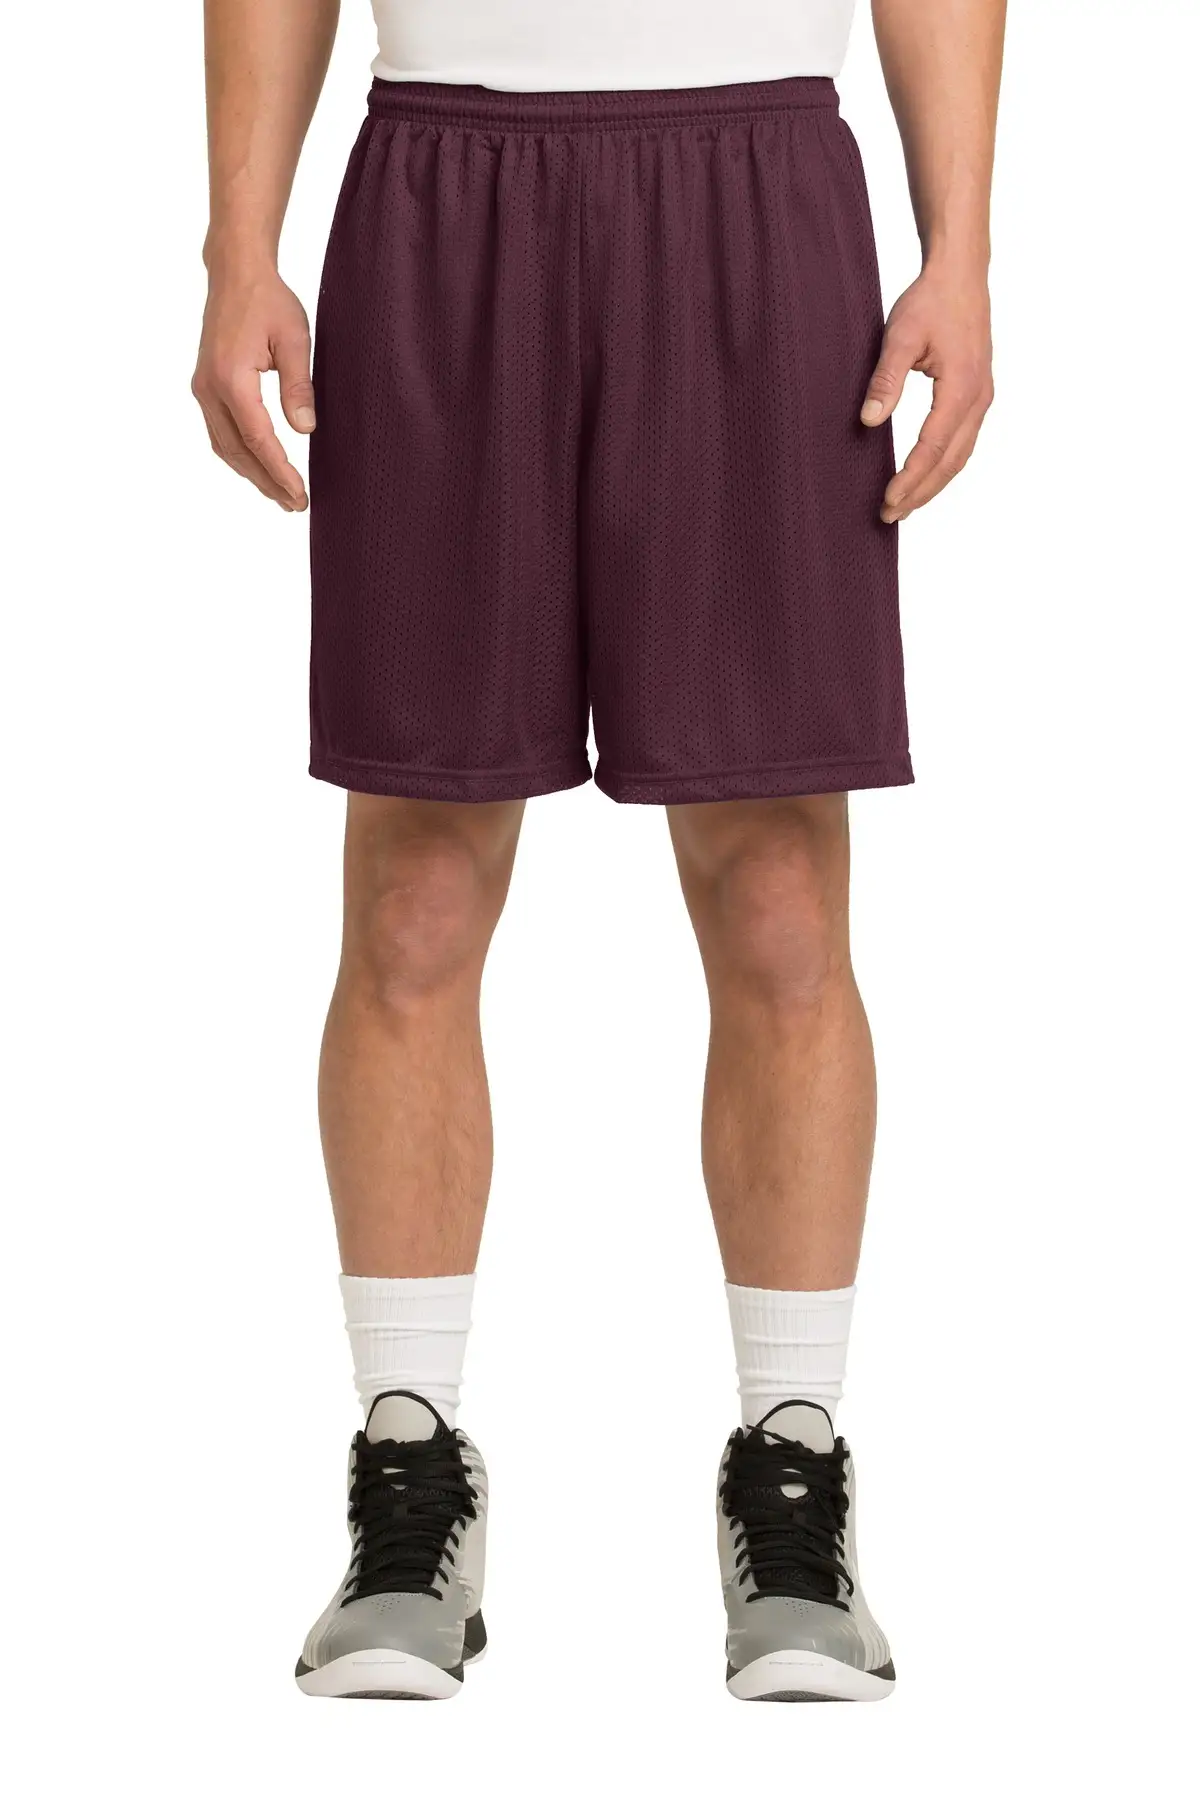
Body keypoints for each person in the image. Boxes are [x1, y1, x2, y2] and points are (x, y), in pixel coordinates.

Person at [193, 0, 1003, 1703]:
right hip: (445, 180)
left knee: (778, 893)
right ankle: (410, 1478)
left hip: (757, 184)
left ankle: (793, 1473)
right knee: (414, 889)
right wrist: (237, 243)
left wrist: (963, 248)